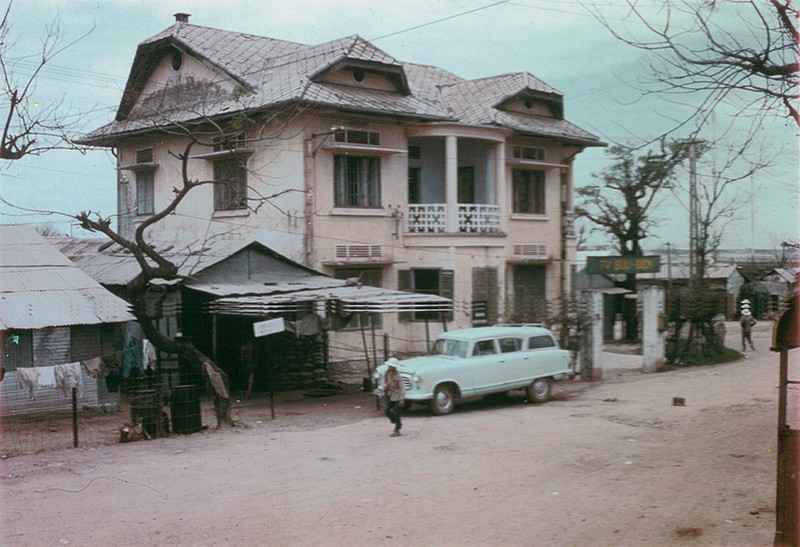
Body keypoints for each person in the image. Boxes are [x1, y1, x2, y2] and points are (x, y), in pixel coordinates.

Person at [383, 357, 405, 437]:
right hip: (389, 393)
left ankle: (397, 429)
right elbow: (385, 381)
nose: (390, 367)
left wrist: (402, 398)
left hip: (397, 395)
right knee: (386, 410)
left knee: (396, 412)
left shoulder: (398, 376)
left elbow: (402, 387)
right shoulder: (387, 373)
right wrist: (384, 386)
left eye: (391, 366)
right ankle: (397, 422)